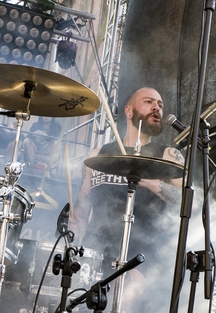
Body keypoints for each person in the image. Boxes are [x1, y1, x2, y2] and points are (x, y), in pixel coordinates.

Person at [73, 86, 183, 271]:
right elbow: (82, 209)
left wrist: (150, 182)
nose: (157, 107)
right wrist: (75, 229)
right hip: (97, 252)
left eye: (160, 104)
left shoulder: (168, 155)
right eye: (149, 102)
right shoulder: (98, 156)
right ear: (129, 110)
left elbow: (190, 203)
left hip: (144, 257)